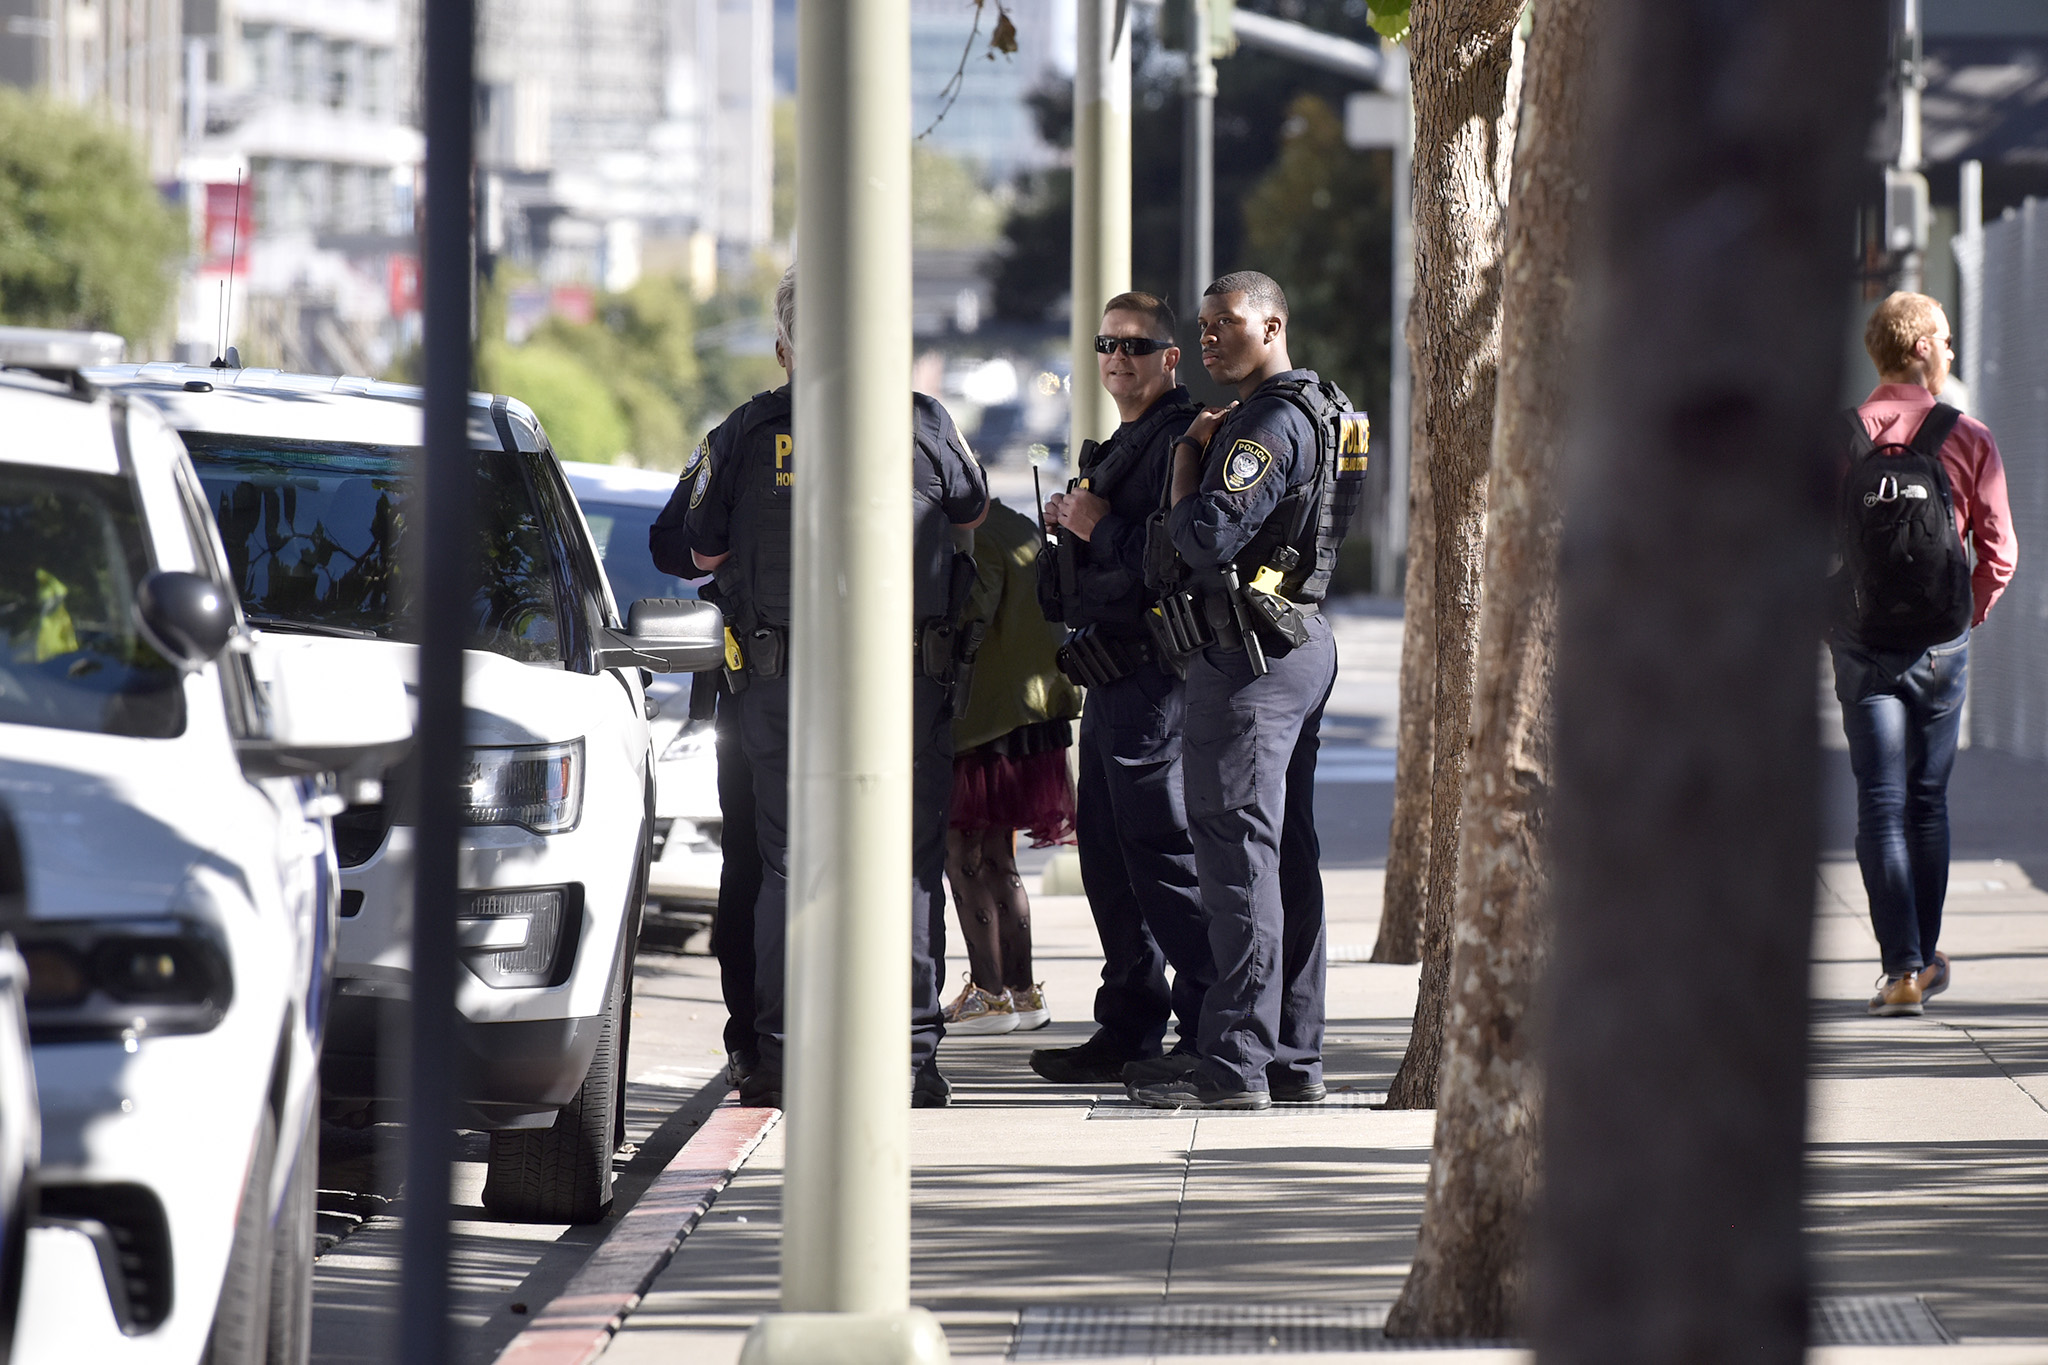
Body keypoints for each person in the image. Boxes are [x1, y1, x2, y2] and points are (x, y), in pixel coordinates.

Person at [663, 265, 989, 1107]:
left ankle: (777, 1058)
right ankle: (911, 1059)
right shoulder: (921, 425)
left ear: (784, 348)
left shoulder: (745, 431)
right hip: (903, 685)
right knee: (908, 865)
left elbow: (691, 550)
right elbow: (970, 515)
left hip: (782, 686)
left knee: (784, 865)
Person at [1131, 270, 1363, 1111]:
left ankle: (1233, 1064)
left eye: (1227, 323)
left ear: (1273, 324)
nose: (1210, 338)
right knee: (1285, 857)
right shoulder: (1326, 408)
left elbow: (1203, 535)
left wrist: (1190, 450)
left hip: (1251, 663)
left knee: (1238, 862)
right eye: (1203, 326)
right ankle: (1293, 1057)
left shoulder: (1265, 422)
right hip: (1294, 641)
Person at [1028, 292, 1217, 1085]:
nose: (1117, 358)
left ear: (1169, 358)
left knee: (1160, 853)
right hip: (1108, 678)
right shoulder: (1124, 441)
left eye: (1136, 346)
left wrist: (1094, 524)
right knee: (1106, 856)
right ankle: (1130, 1020)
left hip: (1152, 676)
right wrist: (1068, 525)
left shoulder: (1184, 436)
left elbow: (1170, 554)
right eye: (1107, 344)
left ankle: (1211, 1021)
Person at [1835, 292, 2015, 1017]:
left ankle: (1902, 965)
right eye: (1943, 338)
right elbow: (1999, 553)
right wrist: (1959, 619)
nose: (1949, 350)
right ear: (1919, 349)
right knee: (1926, 803)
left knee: (1878, 804)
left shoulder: (1841, 438)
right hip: (1940, 648)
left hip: (1863, 643)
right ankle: (1922, 957)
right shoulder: (1967, 435)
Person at [940, 498, 1081, 1035]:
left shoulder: (967, 533)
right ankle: (1021, 992)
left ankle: (990, 994)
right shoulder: (1016, 523)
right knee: (999, 857)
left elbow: (968, 616)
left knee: (965, 857)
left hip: (985, 717)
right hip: (1033, 714)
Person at [646, 565, 761, 1090]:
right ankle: (754, 1043)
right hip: (751, 687)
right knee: (748, 867)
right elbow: (679, 547)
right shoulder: (737, 477)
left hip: (835, 702)